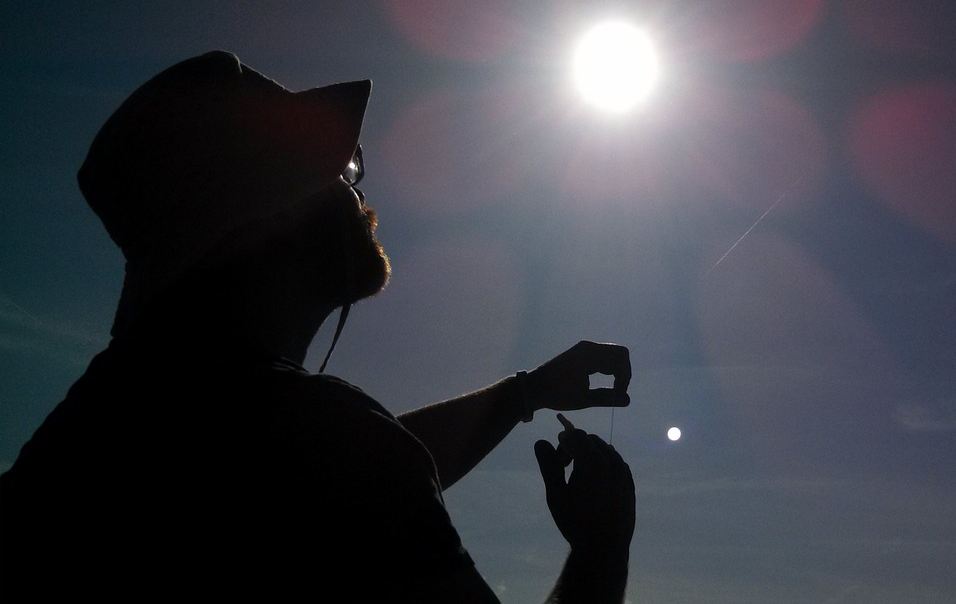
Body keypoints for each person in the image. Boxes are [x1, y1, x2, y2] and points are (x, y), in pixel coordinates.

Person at [0, 51, 636, 603]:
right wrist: (601, 546)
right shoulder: (313, 436)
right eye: (339, 171)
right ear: (261, 211)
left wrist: (528, 392)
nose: (360, 194)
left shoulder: (111, 427)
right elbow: (352, 467)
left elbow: (343, 480)